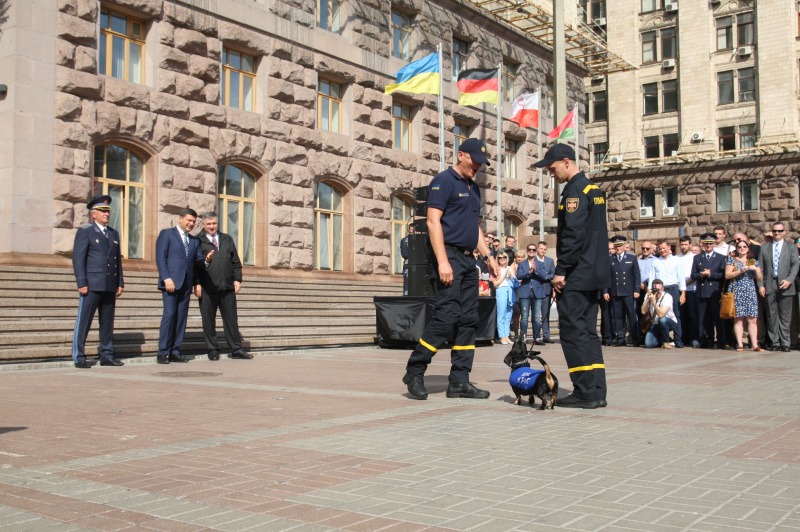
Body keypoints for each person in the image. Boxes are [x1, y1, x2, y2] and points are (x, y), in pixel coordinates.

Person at [403, 138, 499, 400]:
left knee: (469, 319)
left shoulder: (473, 188)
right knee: (447, 317)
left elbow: (473, 227)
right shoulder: (443, 181)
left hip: (469, 261)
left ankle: (459, 381)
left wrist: (488, 256)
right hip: (450, 258)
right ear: (461, 155)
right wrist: (443, 261)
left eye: (482, 163)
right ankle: (415, 370)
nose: (478, 166)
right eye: (475, 161)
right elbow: (433, 223)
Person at [535, 143, 609, 409]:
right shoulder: (594, 189)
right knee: (589, 332)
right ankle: (597, 390)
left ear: (566, 162)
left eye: (552, 169)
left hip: (577, 274)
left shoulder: (575, 191)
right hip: (595, 274)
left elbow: (573, 235)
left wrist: (561, 270)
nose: (551, 175)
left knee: (573, 332)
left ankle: (585, 391)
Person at [71, 195, 125, 368]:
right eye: (102, 211)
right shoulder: (86, 231)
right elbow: (78, 259)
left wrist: (120, 282)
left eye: (108, 211)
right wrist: (81, 282)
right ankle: (79, 356)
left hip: (109, 284)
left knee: (107, 322)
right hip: (92, 284)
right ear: (93, 214)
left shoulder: (113, 233)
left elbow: (117, 260)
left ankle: (106, 355)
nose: (106, 214)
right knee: (84, 321)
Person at [155, 207, 210, 364]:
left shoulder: (193, 241)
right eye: (189, 220)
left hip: (186, 284)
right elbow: (161, 258)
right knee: (169, 315)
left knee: (181, 318)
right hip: (171, 283)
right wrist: (166, 278)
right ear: (180, 219)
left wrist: (207, 259)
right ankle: (163, 352)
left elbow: (198, 260)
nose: (191, 224)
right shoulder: (167, 234)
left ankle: (175, 350)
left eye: (193, 221)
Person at [194, 212, 252, 361]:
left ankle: (236, 349)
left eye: (214, 224)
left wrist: (237, 279)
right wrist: (197, 283)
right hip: (207, 288)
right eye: (208, 224)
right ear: (203, 225)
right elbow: (193, 265)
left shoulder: (227, 239)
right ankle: (212, 349)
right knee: (208, 319)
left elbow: (235, 262)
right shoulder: (197, 241)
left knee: (231, 320)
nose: (212, 227)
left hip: (227, 287)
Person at [757, 222, 800, 352]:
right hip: (770, 283)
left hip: (785, 284)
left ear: (784, 231)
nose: (777, 233)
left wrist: (789, 280)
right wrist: (760, 285)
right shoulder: (764, 248)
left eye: (780, 231)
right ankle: (775, 342)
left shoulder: (791, 247)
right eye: (775, 231)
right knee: (771, 315)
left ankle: (785, 342)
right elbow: (760, 267)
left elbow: (795, 265)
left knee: (786, 316)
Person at [725, 241, 763, 351]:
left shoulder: (754, 262)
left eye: (744, 246)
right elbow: (727, 275)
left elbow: (760, 279)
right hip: (737, 290)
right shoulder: (732, 260)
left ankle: (755, 344)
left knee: (752, 319)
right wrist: (740, 271)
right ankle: (740, 343)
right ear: (737, 249)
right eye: (739, 247)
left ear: (748, 248)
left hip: (750, 290)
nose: (742, 248)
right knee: (738, 319)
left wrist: (756, 270)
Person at [692, 233, 727, 349]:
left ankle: (721, 340)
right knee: (703, 318)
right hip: (702, 291)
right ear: (703, 244)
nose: (709, 246)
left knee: (717, 317)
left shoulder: (721, 258)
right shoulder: (697, 258)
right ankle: (705, 339)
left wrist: (711, 274)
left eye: (711, 243)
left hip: (715, 291)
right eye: (706, 244)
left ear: (714, 244)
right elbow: (693, 274)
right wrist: (701, 275)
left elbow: (723, 275)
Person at [604, 235, 641, 347]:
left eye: (620, 246)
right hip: (616, 291)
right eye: (616, 246)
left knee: (631, 315)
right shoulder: (610, 259)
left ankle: (635, 338)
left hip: (628, 291)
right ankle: (620, 338)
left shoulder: (631, 258)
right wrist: (606, 291)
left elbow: (636, 275)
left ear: (624, 246)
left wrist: (637, 289)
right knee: (618, 316)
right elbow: (607, 277)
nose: (618, 248)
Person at [651, 240, 685, 347]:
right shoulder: (656, 261)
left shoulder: (676, 260)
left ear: (669, 247)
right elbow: (652, 277)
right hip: (660, 290)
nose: (662, 250)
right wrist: (650, 290)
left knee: (676, 314)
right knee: (660, 315)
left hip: (673, 288)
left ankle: (678, 339)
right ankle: (664, 339)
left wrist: (683, 293)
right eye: (660, 248)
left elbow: (681, 277)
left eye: (664, 248)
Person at [641, 279, 679, 349]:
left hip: (669, 322)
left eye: (659, 290)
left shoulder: (667, 297)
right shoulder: (649, 295)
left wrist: (654, 302)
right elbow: (643, 311)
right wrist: (648, 299)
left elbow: (661, 314)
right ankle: (661, 340)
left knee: (662, 320)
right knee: (649, 344)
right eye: (655, 290)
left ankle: (666, 341)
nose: (657, 292)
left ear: (663, 289)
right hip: (655, 324)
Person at [677, 236, 699, 347]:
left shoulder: (695, 257)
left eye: (686, 244)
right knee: (681, 315)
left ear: (690, 245)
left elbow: (695, 274)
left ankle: (694, 338)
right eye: (682, 244)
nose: (684, 247)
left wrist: (684, 284)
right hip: (679, 291)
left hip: (691, 290)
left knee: (693, 315)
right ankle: (683, 338)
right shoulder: (676, 258)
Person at [493, 252, 517, 345]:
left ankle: (507, 336)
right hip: (501, 290)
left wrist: (511, 275)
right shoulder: (497, 269)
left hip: (510, 290)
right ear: (497, 259)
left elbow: (515, 281)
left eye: (504, 257)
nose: (502, 259)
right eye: (500, 258)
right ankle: (502, 336)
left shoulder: (510, 268)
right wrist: (504, 275)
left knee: (508, 315)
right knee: (501, 314)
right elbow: (495, 284)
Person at [510, 250, 525, 337]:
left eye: (521, 257)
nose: (520, 259)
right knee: (516, 315)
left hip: (524, 291)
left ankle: (523, 334)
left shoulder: (525, 266)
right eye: (518, 257)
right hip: (516, 293)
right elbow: (513, 279)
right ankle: (516, 334)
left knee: (524, 315)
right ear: (515, 258)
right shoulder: (513, 266)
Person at [400, 223, 413, 295]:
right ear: (408, 230)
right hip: (408, 265)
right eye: (411, 230)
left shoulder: (420, 240)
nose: (413, 232)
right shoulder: (405, 240)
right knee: (407, 286)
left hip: (418, 266)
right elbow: (404, 254)